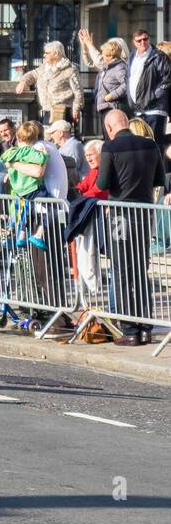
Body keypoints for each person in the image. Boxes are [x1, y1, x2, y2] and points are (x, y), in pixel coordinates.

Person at [97, 109, 166, 345]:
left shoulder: (111, 147)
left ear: (109, 128)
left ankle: (129, 330)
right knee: (140, 269)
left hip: (120, 215)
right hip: (144, 214)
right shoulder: (150, 146)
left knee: (123, 270)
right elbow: (159, 180)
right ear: (127, 122)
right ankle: (146, 326)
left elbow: (103, 182)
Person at [15, 41, 83, 125]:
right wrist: (24, 81)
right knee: (47, 135)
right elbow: (33, 74)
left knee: (59, 135)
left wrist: (76, 109)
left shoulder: (70, 69)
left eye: (47, 53)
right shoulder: (44, 68)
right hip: (46, 110)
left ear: (56, 53)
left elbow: (78, 91)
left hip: (62, 111)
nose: (44, 55)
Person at [124, 29, 171, 143]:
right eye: (139, 40)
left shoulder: (158, 56)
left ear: (149, 39)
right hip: (138, 110)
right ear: (134, 42)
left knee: (155, 145)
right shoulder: (131, 58)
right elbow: (127, 79)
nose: (143, 42)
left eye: (145, 39)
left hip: (155, 110)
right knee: (140, 145)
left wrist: (152, 96)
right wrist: (131, 99)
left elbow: (167, 80)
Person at [78, 31, 130, 118]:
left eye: (107, 53)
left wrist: (89, 44)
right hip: (105, 106)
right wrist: (85, 48)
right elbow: (91, 62)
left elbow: (126, 84)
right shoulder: (108, 65)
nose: (104, 56)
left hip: (114, 106)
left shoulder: (119, 65)